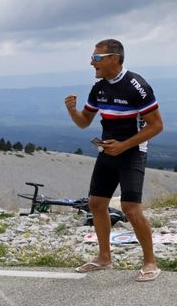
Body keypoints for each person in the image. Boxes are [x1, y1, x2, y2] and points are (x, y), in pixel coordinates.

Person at [65, 39, 163, 281]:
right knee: (96, 204)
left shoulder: (136, 85)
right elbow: (84, 122)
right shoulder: (99, 87)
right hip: (108, 151)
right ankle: (104, 258)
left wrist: (124, 146)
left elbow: (157, 126)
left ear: (114, 59)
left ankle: (150, 262)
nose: (91, 62)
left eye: (97, 58)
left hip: (132, 151)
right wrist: (72, 110)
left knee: (130, 208)